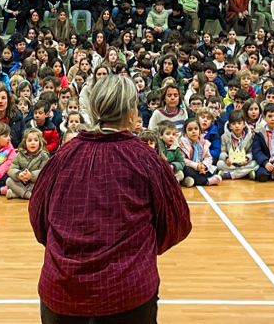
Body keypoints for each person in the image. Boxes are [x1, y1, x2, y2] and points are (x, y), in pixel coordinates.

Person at [28, 75, 191, 324]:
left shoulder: (63, 157)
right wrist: (139, 254)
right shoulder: (147, 160)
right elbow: (176, 222)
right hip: (127, 292)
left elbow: (38, 217)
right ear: (131, 113)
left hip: (63, 290)